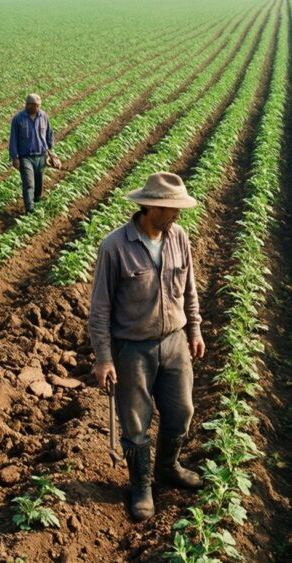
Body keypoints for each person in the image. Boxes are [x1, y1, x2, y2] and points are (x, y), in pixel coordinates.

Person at [87, 171, 207, 522]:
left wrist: (195, 330)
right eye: (171, 208)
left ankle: (167, 467)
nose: (177, 214)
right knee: (136, 422)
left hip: (174, 342)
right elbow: (101, 308)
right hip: (132, 349)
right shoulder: (115, 246)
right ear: (150, 206)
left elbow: (190, 290)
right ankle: (141, 484)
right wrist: (104, 357)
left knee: (181, 411)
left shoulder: (179, 237)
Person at [8, 93, 60, 214]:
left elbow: (49, 134)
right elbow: (13, 139)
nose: (33, 107)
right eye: (29, 105)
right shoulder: (18, 119)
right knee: (29, 183)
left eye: (36, 106)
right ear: (28, 105)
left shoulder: (43, 116)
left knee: (39, 183)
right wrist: (14, 157)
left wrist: (51, 152)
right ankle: (30, 210)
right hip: (25, 157)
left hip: (41, 156)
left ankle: (37, 202)